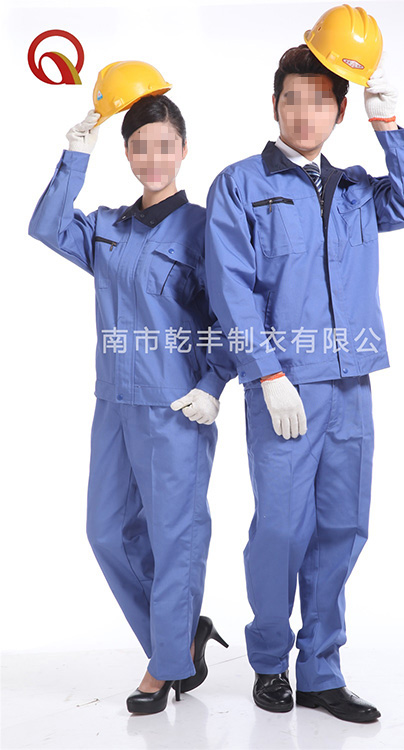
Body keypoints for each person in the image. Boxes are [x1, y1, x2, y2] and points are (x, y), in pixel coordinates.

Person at [205, 45, 404, 722]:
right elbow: (231, 289)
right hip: (285, 385)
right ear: (274, 105)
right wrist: (268, 373)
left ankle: (322, 671)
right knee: (281, 529)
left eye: (319, 101)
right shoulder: (241, 185)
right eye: (292, 99)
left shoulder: (358, 189)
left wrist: (389, 125)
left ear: (339, 111)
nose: (304, 114)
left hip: (351, 386)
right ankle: (269, 663)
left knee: (341, 527)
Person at [28, 93, 236, 715]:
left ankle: (165, 666)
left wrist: (213, 385)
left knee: (175, 538)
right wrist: (75, 155)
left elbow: (232, 316)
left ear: (184, 149)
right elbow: (47, 226)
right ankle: (181, 636)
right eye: (140, 146)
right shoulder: (106, 227)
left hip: (176, 407)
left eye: (164, 146)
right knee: (106, 531)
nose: (152, 158)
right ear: (125, 153)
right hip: (113, 404)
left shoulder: (204, 230)